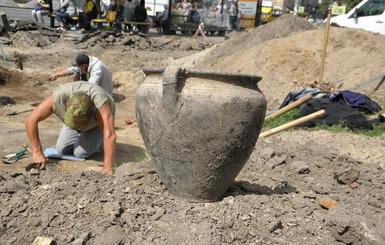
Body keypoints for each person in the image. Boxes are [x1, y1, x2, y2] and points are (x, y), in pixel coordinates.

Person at [24, 81, 116, 175]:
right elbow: (30, 121)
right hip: (75, 118)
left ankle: (100, 143)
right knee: (61, 149)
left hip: (95, 124)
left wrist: (107, 167)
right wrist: (37, 152)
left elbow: (110, 134)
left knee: (80, 153)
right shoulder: (58, 97)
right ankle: (80, 133)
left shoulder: (100, 104)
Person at [49, 53, 113, 95]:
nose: (77, 67)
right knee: (77, 73)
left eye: (78, 65)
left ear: (84, 65)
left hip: (104, 92)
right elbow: (71, 70)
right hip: (94, 85)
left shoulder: (97, 68)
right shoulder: (86, 63)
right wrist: (57, 75)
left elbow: (91, 85)